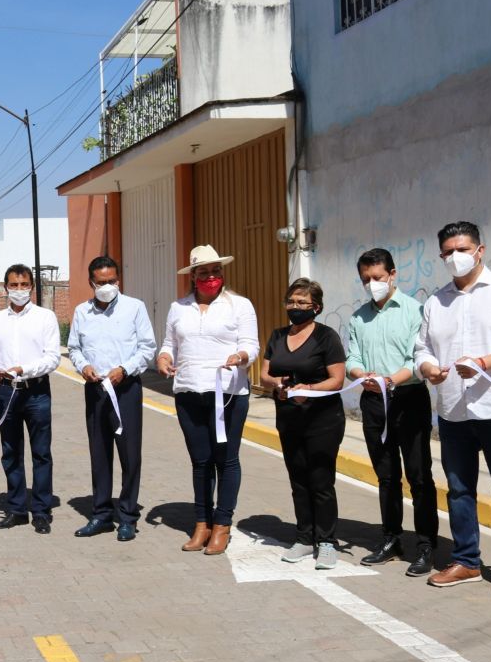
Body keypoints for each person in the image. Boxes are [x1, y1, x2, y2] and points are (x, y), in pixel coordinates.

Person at [415, 221, 491, 602]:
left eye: (462, 249)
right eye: (448, 252)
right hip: (455, 410)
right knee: (459, 491)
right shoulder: (436, 301)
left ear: (480, 250)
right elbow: (422, 347)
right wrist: (427, 368)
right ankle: (467, 559)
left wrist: (485, 361)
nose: (456, 257)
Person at [156, 246, 258, 555]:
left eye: (215, 271)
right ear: (193, 276)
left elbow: (251, 345)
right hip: (188, 391)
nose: (210, 276)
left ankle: (222, 525)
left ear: (222, 273)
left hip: (227, 393)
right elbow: (169, 343)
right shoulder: (178, 307)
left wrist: (240, 356)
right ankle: (202, 522)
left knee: (225, 460)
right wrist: (163, 357)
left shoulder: (239, 305)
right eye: (203, 272)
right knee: (200, 461)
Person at [346, 248, 438, 577]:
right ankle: (391, 539)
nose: (372, 284)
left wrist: (392, 379)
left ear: (393, 274)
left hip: (409, 397)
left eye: (378, 278)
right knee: (386, 476)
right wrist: (362, 376)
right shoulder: (358, 317)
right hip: (374, 402)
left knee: (419, 477)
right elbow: (351, 359)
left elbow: (420, 358)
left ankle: (426, 544)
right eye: (366, 279)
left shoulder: (416, 311)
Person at [67, 255, 157, 542]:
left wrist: (124, 370)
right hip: (96, 391)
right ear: (91, 283)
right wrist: (84, 367)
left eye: (112, 281)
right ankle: (102, 514)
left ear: (118, 281)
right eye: (101, 282)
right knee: (100, 454)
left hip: (125, 388)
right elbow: (74, 348)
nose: (107, 286)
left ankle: (128, 516)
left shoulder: (135, 308)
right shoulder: (82, 312)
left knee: (129, 455)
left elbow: (147, 347)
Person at [261, 278, 347, 570]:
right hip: (288, 417)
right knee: (298, 480)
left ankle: (326, 541)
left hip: (323, 419)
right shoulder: (277, 335)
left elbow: (337, 379)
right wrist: (279, 385)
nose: (295, 307)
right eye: (291, 301)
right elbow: (265, 376)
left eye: (302, 303)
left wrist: (307, 390)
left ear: (316, 307)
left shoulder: (326, 337)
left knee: (321, 481)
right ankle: (303, 537)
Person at [0, 263, 60, 534]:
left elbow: (52, 358)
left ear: (32, 287)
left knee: (41, 453)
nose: (19, 290)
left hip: (35, 391)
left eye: (24, 284)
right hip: (5, 392)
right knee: (11, 452)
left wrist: (23, 369)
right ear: (5, 287)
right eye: (13, 285)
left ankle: (41, 510)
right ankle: (16, 509)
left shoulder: (45, 317)